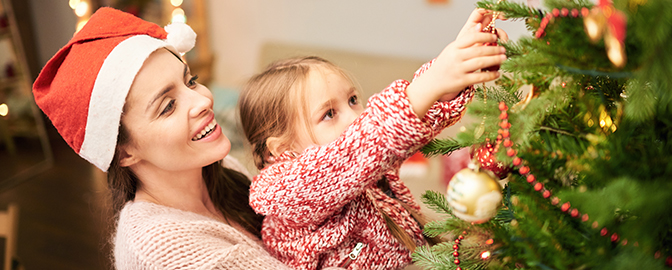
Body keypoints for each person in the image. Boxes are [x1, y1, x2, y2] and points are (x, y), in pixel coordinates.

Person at [31, 7, 308, 269]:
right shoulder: (161, 248)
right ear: (125, 153)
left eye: (190, 81)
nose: (202, 100)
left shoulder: (222, 171)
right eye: (168, 106)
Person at [237, 8, 508, 270]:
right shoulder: (286, 190)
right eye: (329, 114)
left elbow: (406, 128)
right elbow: (361, 145)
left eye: (353, 100)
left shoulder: (366, 163)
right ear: (282, 149)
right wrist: (433, 80)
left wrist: (455, 71)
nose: (355, 117)